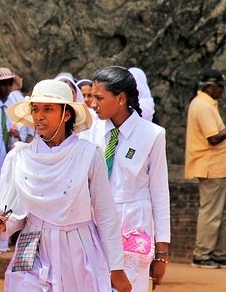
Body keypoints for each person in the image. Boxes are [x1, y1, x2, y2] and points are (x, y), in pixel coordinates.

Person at [0, 79, 132, 292]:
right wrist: (3, 223)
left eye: (48, 109)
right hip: (32, 243)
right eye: (35, 109)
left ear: (66, 114)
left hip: (78, 246)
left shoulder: (88, 155)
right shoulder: (19, 158)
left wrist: (116, 267)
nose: (39, 116)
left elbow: (105, 213)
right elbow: (13, 212)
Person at [88, 66, 170, 290]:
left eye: (99, 98)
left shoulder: (152, 135)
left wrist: (161, 253)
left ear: (121, 98)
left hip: (134, 227)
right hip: (95, 225)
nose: (92, 104)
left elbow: (160, 194)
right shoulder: (88, 133)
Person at [185, 68, 226, 268]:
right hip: (211, 167)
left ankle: (219, 255)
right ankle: (202, 255)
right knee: (211, 213)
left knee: (223, 213)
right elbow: (213, 138)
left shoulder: (208, 104)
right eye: (220, 87)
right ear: (209, 87)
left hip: (219, 167)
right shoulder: (202, 105)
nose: (222, 91)